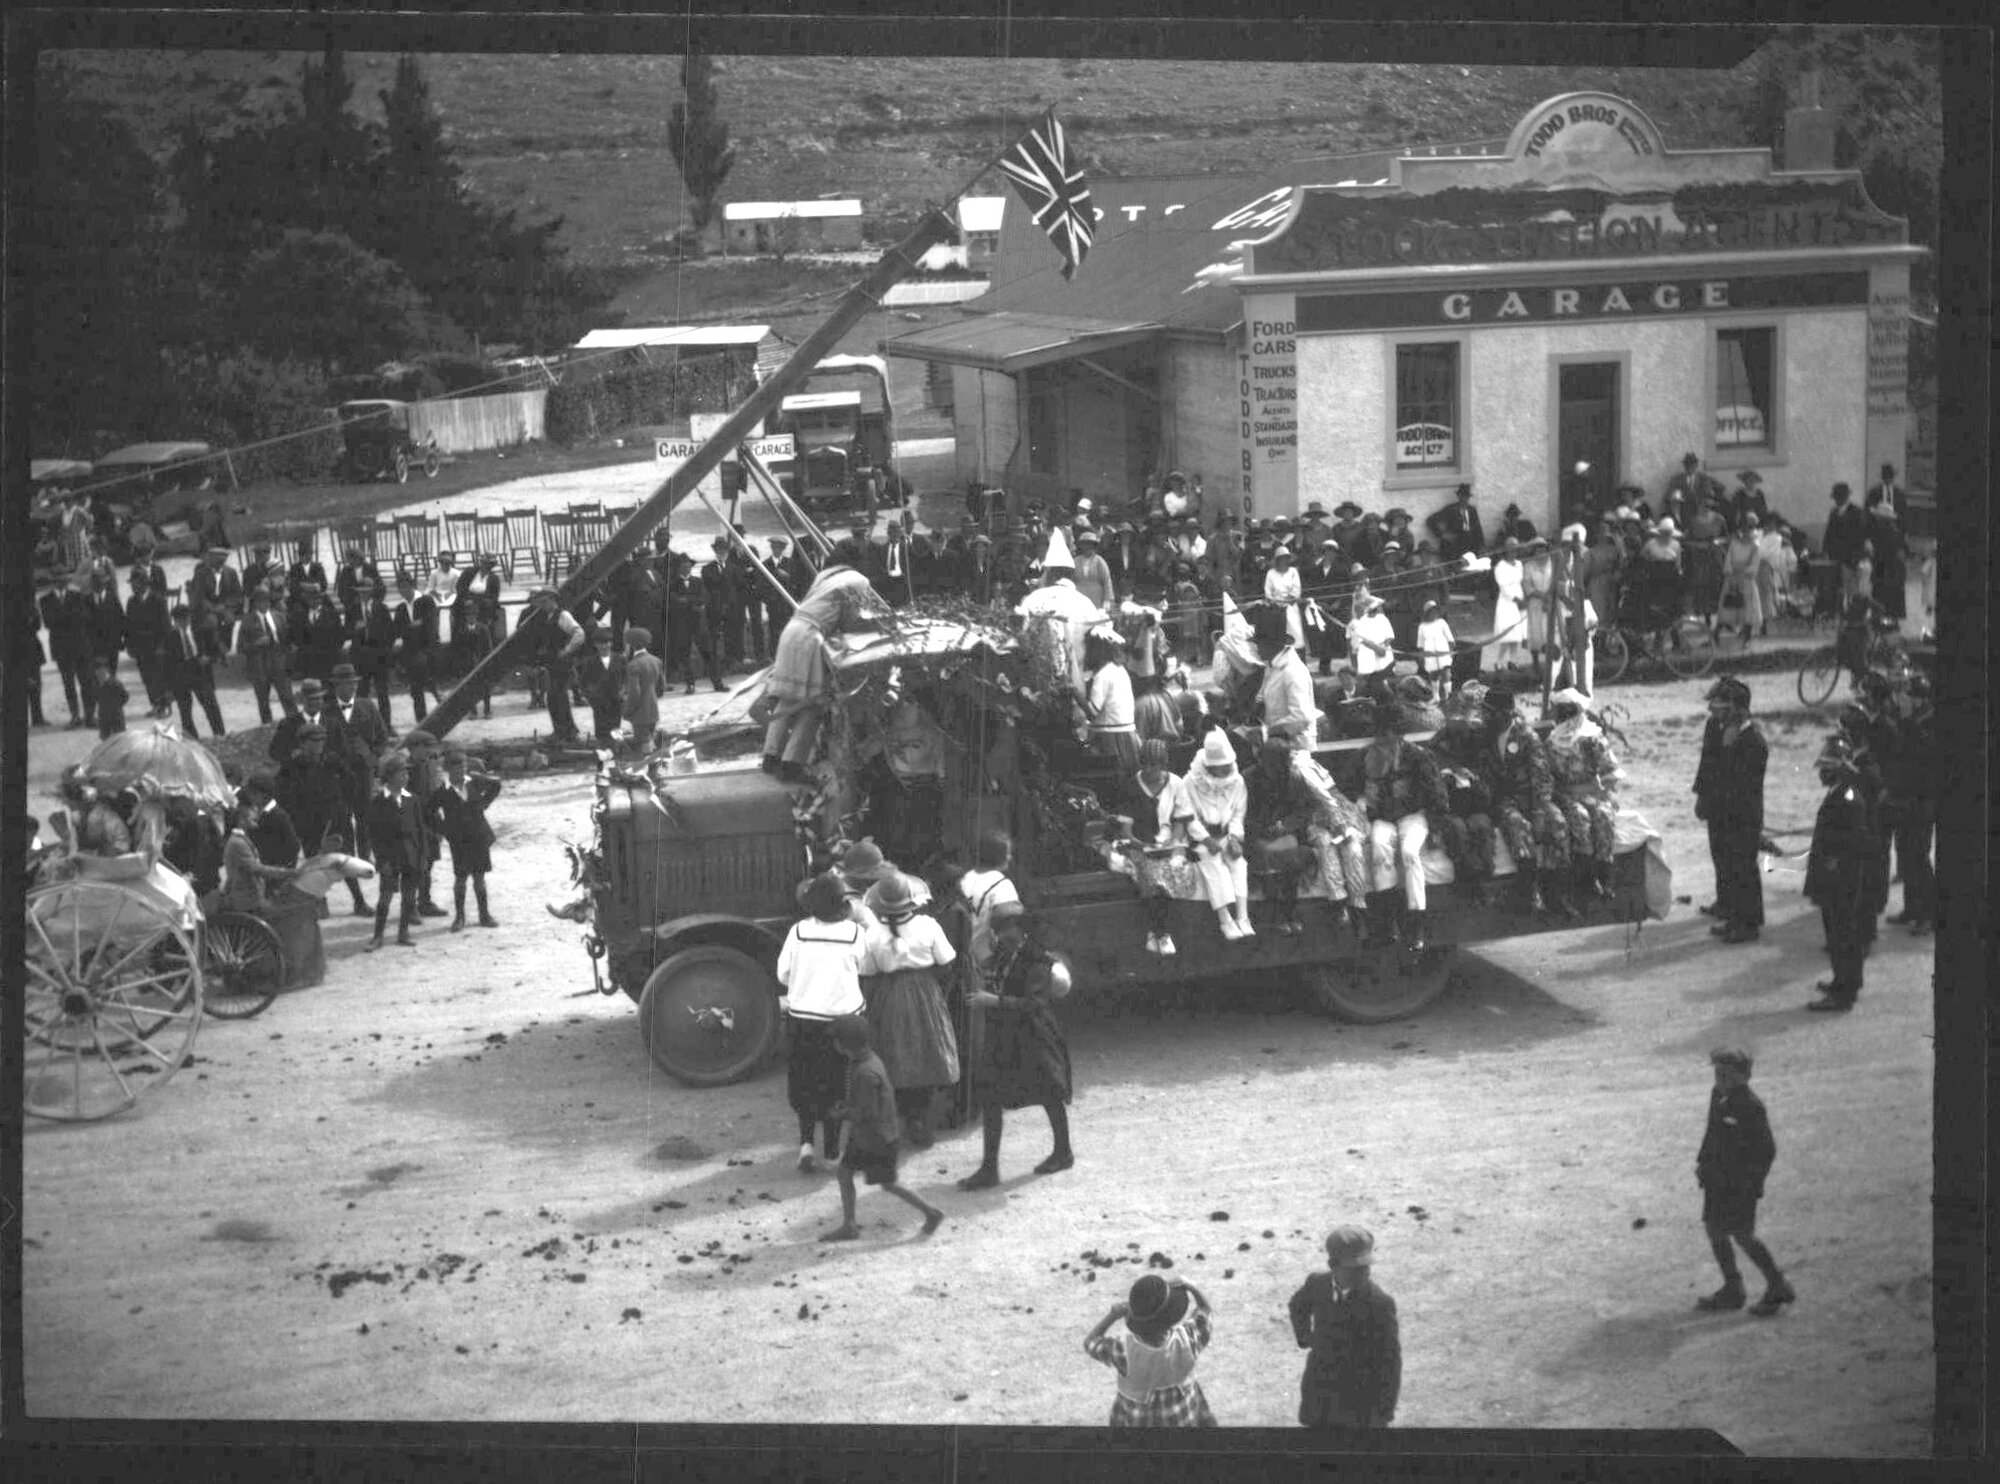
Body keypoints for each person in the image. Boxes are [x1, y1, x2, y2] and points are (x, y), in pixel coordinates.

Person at [956, 899, 1074, 1188]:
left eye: (1006, 929)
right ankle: (989, 1168)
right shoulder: (1001, 955)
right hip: (1005, 1034)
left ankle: (1063, 1151)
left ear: (1021, 930)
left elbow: (1034, 1003)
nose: (1000, 936)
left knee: (1050, 1093)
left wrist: (992, 1001)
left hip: (1034, 1035)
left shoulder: (1037, 960)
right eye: (998, 930)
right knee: (991, 1098)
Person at [763, 538, 893, 783]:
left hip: (792, 631)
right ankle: (792, 764)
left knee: (788, 697)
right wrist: (881, 624)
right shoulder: (857, 580)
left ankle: (770, 757)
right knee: (812, 702)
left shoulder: (824, 576)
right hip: (811, 636)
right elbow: (852, 620)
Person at [814, 1014, 945, 1243]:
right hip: (870, 1136)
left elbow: (867, 1113)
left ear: (843, 1045)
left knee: (889, 1184)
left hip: (876, 1141)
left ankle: (931, 1212)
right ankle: (849, 1225)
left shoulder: (865, 1073)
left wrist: (841, 1113)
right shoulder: (868, 1060)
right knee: (844, 1173)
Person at [777, 872, 871, 1173]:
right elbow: (864, 967)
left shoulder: (798, 931)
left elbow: (782, 974)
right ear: (842, 904)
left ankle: (806, 1145)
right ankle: (831, 1151)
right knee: (837, 1086)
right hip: (844, 1023)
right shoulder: (856, 933)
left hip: (803, 1020)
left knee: (805, 1082)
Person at [859, 873, 960, 1150]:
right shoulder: (928, 926)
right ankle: (922, 1118)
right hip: (925, 992)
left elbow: (867, 972)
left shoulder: (872, 934)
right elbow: (947, 961)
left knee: (895, 1056)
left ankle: (905, 1117)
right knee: (927, 1053)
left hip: (887, 995)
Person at [1694, 1047, 1796, 1315]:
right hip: (1717, 1180)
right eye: (1717, 1073)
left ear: (1745, 1076)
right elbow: (1712, 1132)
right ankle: (1733, 1288)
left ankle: (1777, 1284)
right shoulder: (1718, 1095)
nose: (1721, 1078)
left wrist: (1753, 1184)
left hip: (1740, 1185)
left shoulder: (1751, 1106)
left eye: (1727, 1074)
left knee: (1742, 1235)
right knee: (1714, 1229)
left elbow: (1766, 1150)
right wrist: (1703, 1162)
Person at [1289, 1226, 1401, 1428]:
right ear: (1333, 1264)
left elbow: (1391, 1363)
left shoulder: (1380, 1304)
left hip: (1359, 1404)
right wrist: (1306, 1337)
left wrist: (1384, 1413)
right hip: (1319, 1394)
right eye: (1354, 1268)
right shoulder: (1317, 1284)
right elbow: (1297, 1305)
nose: (1363, 1273)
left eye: (1366, 1266)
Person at [1360, 698, 1448, 950]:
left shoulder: (1417, 756)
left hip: (1412, 815)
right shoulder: (1366, 757)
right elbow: (1352, 788)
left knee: (1410, 853)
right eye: (1379, 735)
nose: (1382, 740)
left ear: (1397, 735)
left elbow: (1437, 793)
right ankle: (1390, 923)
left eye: (1386, 735)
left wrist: (1436, 826)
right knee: (1379, 849)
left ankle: (1416, 923)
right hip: (1383, 818)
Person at [1083, 1274, 1218, 1428]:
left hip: (1137, 1421)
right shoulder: (1189, 1338)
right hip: (1182, 1417)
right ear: (1171, 1316)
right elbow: (1205, 1310)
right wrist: (1190, 1285)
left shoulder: (1123, 1350)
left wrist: (1112, 1316)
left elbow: (1090, 1342)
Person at [1692, 677, 1767, 944]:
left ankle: (1749, 924)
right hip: (1720, 811)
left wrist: (1728, 748)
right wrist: (1702, 797)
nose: (1715, 711)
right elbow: (1707, 764)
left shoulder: (1753, 741)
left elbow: (1742, 786)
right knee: (1724, 861)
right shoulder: (1718, 728)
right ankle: (1732, 915)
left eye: (1722, 707)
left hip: (1741, 816)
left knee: (1743, 869)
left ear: (1738, 709)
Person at [1484, 688, 1570, 916]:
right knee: (1516, 825)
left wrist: (1540, 813)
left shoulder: (1526, 737)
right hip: (1505, 800)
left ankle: (1556, 892)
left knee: (1557, 822)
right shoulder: (1486, 736)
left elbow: (1541, 778)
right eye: (1487, 712)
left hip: (1532, 797)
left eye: (1493, 712)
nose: (1488, 717)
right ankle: (1529, 892)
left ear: (1508, 712)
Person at [1804, 735, 1874, 1012]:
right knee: (1836, 933)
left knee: (1843, 933)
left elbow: (1854, 841)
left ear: (1840, 768)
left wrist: (1834, 863)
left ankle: (1845, 992)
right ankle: (1842, 981)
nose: (1822, 772)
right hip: (1836, 876)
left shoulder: (1847, 798)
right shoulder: (1840, 792)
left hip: (1841, 879)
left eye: (1827, 767)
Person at [1544, 689, 1621, 902]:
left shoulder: (1592, 737)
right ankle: (1587, 879)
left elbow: (1609, 770)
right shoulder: (1552, 742)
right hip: (1566, 795)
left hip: (1592, 792)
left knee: (1603, 817)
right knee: (1581, 820)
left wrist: (1605, 794)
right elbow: (1549, 776)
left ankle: (1606, 877)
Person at [1183, 729, 1254, 941]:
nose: (1224, 769)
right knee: (1213, 863)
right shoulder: (1190, 781)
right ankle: (1226, 919)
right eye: (1219, 766)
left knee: (1238, 863)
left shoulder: (1237, 781)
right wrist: (1206, 839)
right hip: (1200, 837)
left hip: (1225, 834)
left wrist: (1233, 838)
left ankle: (1243, 917)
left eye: (1226, 765)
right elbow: (1189, 816)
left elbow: (1238, 814)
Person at [431, 745, 502, 930]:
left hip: (479, 836)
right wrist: (445, 829)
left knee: (479, 877)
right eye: (457, 769)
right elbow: (428, 812)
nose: (461, 772)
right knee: (461, 878)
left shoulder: (475, 781)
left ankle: (484, 915)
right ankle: (460, 917)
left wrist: (483, 805)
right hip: (459, 841)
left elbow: (496, 785)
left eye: (463, 768)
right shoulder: (443, 792)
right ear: (449, 771)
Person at [363, 752, 424, 950]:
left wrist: (422, 856)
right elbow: (375, 836)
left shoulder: (412, 800)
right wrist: (382, 861)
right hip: (390, 857)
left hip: (411, 855)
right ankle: (378, 936)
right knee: (386, 896)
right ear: (388, 777)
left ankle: (403, 933)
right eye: (401, 773)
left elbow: (420, 830)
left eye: (407, 773)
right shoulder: (378, 802)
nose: (405, 777)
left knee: (408, 896)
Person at [521, 588, 588, 743]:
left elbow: (579, 634)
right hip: (551, 662)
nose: (542, 605)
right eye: (541, 602)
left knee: (558, 696)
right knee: (554, 697)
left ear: (553, 600)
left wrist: (567, 650)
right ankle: (561, 730)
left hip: (562, 662)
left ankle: (568, 731)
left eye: (545, 601)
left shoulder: (563, 615)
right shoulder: (545, 616)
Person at [217, 800, 299, 913]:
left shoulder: (241, 839)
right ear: (241, 820)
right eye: (252, 815)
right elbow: (257, 869)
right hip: (248, 900)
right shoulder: (238, 843)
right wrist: (286, 872)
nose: (256, 816)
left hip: (251, 896)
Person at [1080, 628, 1139, 772]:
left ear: (1099, 650)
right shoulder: (1119, 670)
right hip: (1126, 734)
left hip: (1110, 737)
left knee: (1110, 778)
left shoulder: (1103, 675)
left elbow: (1093, 712)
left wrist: (1074, 692)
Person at [166, 601, 226, 738]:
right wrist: (168, 687)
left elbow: (216, 650)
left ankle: (220, 735)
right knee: (185, 713)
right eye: (177, 621)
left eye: (183, 619)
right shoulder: (169, 638)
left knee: (211, 706)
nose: (181, 623)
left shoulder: (200, 632)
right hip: (181, 678)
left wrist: (209, 658)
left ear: (188, 618)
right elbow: (167, 665)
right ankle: (193, 740)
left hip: (200, 674)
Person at [238, 772, 301, 868]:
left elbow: (293, 845)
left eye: (254, 794)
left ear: (263, 795)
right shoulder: (258, 813)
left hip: (276, 868)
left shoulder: (277, 816)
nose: (250, 797)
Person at [621, 626, 664, 755]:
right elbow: (661, 687)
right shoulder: (656, 661)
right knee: (651, 741)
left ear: (631, 645)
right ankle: (653, 769)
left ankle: (651, 770)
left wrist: (628, 712)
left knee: (644, 745)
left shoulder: (633, 665)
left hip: (640, 712)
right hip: (653, 710)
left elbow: (635, 693)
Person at [1822, 482, 1869, 601]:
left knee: (1852, 590)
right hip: (1836, 557)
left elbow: (1860, 537)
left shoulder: (1856, 513)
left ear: (1846, 497)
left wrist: (1856, 557)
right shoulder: (1834, 512)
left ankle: (1852, 613)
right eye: (1836, 497)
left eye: (1840, 497)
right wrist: (1825, 551)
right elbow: (1828, 534)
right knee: (1838, 589)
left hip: (1850, 559)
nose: (1837, 500)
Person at [1487, 537, 1527, 673]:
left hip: (1519, 600)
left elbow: (1521, 582)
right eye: (1511, 548)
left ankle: (1513, 660)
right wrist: (1515, 599)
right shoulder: (1500, 567)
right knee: (1506, 634)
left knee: (1516, 634)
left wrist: (1522, 599)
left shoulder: (1520, 564)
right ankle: (1498, 662)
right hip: (1507, 602)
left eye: (1516, 548)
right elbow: (1503, 587)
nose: (1513, 551)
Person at [1348, 593, 1397, 692]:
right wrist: (1375, 648)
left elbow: (1390, 636)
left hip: (1383, 651)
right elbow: (1362, 639)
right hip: (1368, 652)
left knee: (1385, 675)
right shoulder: (1362, 622)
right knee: (1370, 677)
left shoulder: (1383, 619)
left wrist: (1383, 647)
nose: (1378, 609)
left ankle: (1388, 694)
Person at [90, 656, 128, 739]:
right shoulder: (95, 685)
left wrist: (117, 705)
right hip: (104, 716)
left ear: (107, 670)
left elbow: (125, 696)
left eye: (102, 671)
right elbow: (94, 698)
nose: (99, 673)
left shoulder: (115, 684)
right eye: (97, 671)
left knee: (119, 738)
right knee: (105, 738)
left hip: (116, 716)